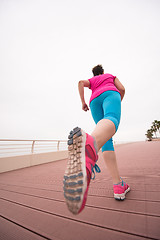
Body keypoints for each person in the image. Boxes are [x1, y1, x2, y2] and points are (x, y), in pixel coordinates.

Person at [63, 64, 130, 215]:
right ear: (103, 72)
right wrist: (119, 99)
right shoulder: (109, 76)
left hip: (94, 101)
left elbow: (80, 83)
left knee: (106, 138)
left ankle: (118, 185)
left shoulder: (92, 81)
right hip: (110, 94)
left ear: (93, 74)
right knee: (111, 118)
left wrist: (83, 102)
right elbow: (123, 89)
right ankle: (90, 146)